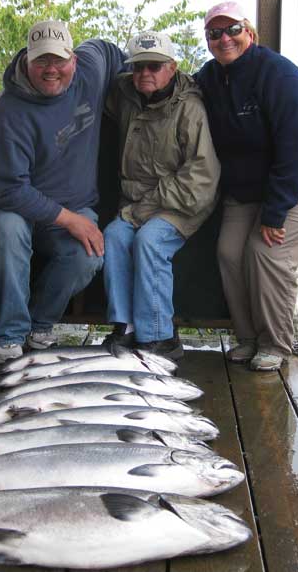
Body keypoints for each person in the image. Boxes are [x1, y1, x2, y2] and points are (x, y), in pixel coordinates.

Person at [195, 2, 298, 371]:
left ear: (251, 33)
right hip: (247, 191)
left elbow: (296, 152)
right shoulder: (209, 78)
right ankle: (247, 338)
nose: (224, 38)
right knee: (229, 252)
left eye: (233, 30)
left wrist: (275, 214)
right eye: (215, 33)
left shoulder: (280, 77)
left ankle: (275, 343)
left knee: (266, 253)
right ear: (208, 40)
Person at [0, 20, 125, 364]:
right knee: (8, 234)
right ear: (27, 61)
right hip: (12, 207)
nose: (51, 69)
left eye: (59, 60)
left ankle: (40, 324)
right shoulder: (6, 116)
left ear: (73, 59)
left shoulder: (92, 66)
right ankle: (9, 334)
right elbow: (5, 189)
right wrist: (69, 219)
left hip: (72, 205)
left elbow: (111, 51)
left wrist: (137, 89)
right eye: (42, 61)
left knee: (89, 254)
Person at [102, 31, 221, 359]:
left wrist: (143, 209)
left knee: (150, 241)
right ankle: (124, 326)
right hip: (135, 203)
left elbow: (200, 180)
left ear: (172, 67)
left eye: (154, 66)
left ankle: (160, 337)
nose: (145, 74)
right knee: (113, 236)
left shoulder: (190, 109)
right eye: (138, 67)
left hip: (183, 202)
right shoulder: (124, 94)